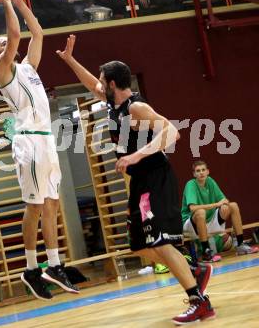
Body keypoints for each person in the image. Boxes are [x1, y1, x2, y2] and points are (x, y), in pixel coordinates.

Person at [56, 34, 215, 325]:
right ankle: (194, 269)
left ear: (113, 84)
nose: (99, 85)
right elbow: (91, 83)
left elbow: (172, 133)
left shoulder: (135, 108)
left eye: (104, 81)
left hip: (155, 177)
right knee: (141, 245)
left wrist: (135, 156)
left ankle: (199, 301)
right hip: (140, 182)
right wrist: (69, 60)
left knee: (160, 241)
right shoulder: (112, 103)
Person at [0, 0, 79, 300]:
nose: (7, 44)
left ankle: (53, 264)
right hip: (28, 141)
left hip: (46, 139)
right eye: (1, 45)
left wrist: (21, 1)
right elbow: (15, 35)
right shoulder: (4, 69)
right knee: (35, 206)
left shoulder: (28, 68)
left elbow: (36, 33)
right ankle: (29, 268)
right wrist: (5, 2)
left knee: (52, 204)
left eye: (6, 44)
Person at [182, 160, 259, 262]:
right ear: (194, 174)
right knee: (201, 212)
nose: (201, 172)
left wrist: (224, 205)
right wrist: (217, 205)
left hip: (209, 221)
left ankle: (240, 245)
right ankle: (206, 252)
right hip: (191, 225)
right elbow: (193, 208)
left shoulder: (210, 181)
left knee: (233, 206)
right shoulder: (190, 184)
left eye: (203, 170)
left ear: (207, 171)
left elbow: (224, 200)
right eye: (198, 171)